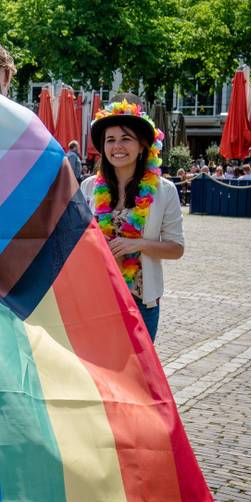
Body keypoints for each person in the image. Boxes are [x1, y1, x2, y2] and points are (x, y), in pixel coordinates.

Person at [79, 96, 184, 341]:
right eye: (111, 140)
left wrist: (137, 244)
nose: (117, 147)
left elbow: (176, 248)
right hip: (96, 298)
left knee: (140, 376)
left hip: (140, 300)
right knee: (100, 375)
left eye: (126, 139)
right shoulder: (88, 188)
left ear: (142, 146)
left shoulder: (164, 190)